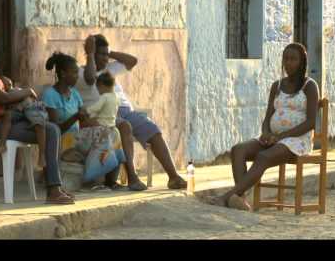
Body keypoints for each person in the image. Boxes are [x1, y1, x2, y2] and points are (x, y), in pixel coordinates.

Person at [0, 24, 74, 205]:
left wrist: (15, 89)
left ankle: (54, 186)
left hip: (3, 121)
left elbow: (6, 93)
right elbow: (3, 98)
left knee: (51, 128)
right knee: (51, 130)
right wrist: (27, 91)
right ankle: (53, 188)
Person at [209, 43, 319, 211]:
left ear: (302, 62)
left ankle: (227, 197)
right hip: (274, 138)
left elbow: (311, 122)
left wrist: (281, 137)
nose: (288, 63)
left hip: (297, 141)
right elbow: (268, 116)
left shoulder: (310, 86)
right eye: (286, 59)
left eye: (293, 59)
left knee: (263, 157)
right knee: (238, 150)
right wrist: (266, 132)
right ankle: (240, 198)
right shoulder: (277, 85)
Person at [76, 34, 187, 190]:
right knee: (124, 126)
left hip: (126, 110)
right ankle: (132, 177)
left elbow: (132, 61)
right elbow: (90, 79)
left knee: (153, 131)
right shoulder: (81, 72)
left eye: (106, 54)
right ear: (92, 53)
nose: (105, 58)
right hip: (105, 113)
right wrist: (91, 55)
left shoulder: (111, 68)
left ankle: (173, 177)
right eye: (101, 54)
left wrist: (109, 53)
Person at [42, 52, 127, 189]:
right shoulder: (50, 95)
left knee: (112, 131)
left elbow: (84, 120)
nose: (77, 76)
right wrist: (76, 116)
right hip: (64, 140)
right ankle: (91, 175)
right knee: (104, 135)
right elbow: (56, 129)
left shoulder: (74, 94)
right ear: (63, 74)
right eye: (75, 73)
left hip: (79, 137)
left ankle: (111, 180)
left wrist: (96, 121)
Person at [0, 76, 49, 172]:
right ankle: (2, 144)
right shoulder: (3, 96)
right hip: (19, 113)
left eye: (9, 84)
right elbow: (6, 108)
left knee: (39, 125)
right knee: (8, 116)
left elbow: (31, 95)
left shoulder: (16, 90)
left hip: (31, 108)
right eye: (3, 86)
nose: (8, 87)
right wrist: (2, 112)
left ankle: (42, 155)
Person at [85, 71, 120, 164]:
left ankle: (94, 157)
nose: (98, 91)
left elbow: (96, 107)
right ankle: (106, 152)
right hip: (112, 126)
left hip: (102, 124)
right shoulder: (116, 97)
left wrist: (86, 111)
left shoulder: (105, 96)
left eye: (98, 88)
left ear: (102, 86)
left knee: (85, 134)